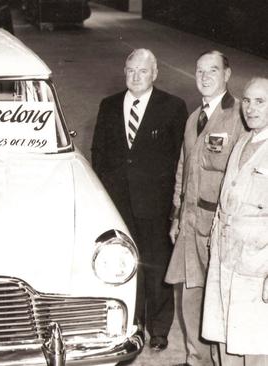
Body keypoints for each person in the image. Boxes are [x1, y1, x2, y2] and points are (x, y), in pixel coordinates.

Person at [91, 48, 187, 351]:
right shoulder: (108, 105)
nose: (135, 76)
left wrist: (174, 204)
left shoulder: (172, 106)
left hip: (156, 204)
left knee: (157, 266)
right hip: (118, 203)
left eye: (142, 71)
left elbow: (179, 159)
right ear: (124, 71)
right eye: (131, 70)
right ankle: (132, 322)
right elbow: (99, 153)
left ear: (155, 73)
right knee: (123, 265)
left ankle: (159, 328)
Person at [165, 50, 245, 366]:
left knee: (220, 298)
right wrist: (175, 214)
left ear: (227, 74)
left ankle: (219, 360)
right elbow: (183, 168)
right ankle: (194, 358)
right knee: (190, 296)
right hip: (189, 221)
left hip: (218, 225)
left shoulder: (238, 116)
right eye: (199, 70)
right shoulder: (193, 118)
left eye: (212, 70)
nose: (205, 76)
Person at [201, 76, 268, 366]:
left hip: (258, 268)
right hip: (227, 259)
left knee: (256, 346)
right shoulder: (242, 141)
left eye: (261, 101)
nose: (251, 108)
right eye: (247, 100)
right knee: (225, 339)